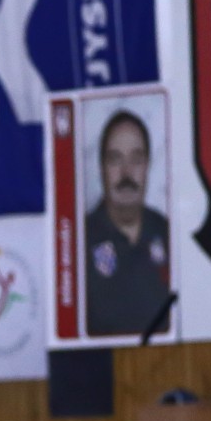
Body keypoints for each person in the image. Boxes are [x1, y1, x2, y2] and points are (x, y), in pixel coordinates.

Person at [84, 110, 170, 337]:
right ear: (101, 168)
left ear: (147, 166)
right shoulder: (79, 241)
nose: (126, 173)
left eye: (136, 159)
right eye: (115, 159)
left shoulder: (168, 233)